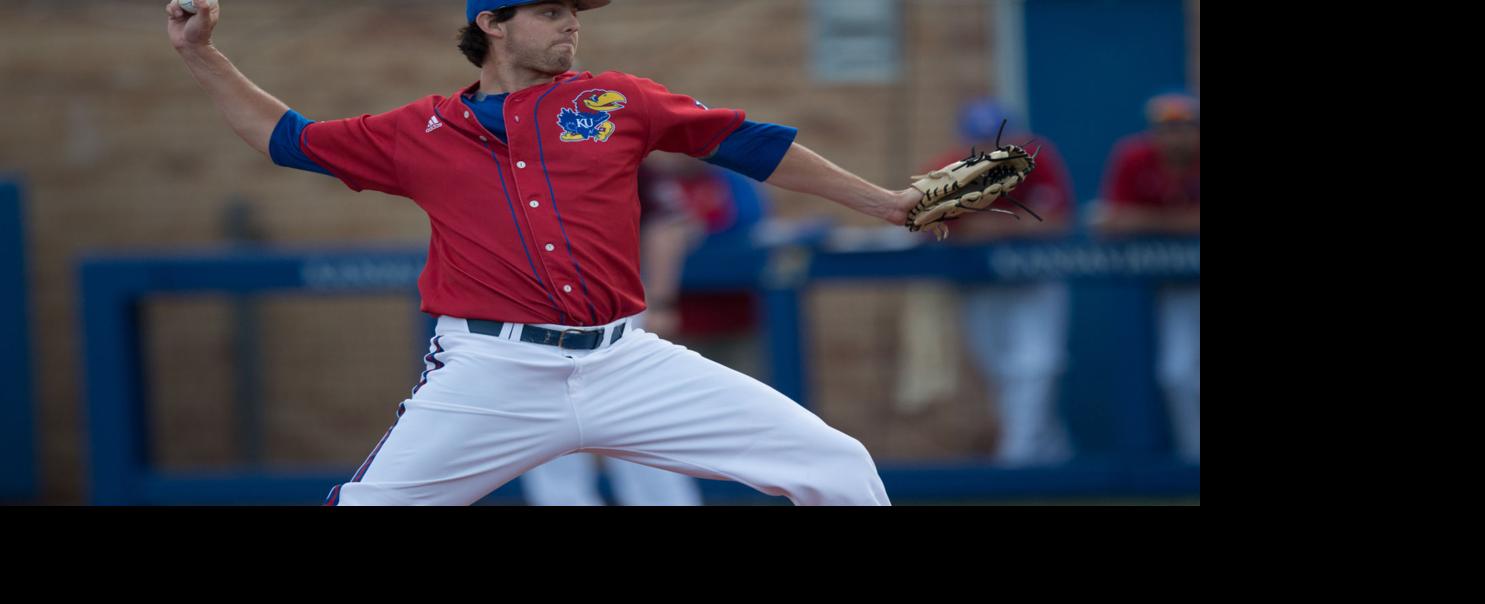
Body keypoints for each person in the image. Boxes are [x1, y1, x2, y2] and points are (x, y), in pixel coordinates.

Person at [166, 0, 919, 505]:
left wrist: (883, 202)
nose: (571, 25)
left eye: (573, 13)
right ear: (492, 24)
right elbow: (287, 139)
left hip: (625, 361)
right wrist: (200, 53)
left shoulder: (616, 99)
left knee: (837, 465)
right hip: (493, 369)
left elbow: (748, 144)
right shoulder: (417, 131)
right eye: (550, 11)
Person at [519, 155, 765, 505]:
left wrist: (660, 303)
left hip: (610, 309)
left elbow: (667, 224)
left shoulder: (621, 158)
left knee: (635, 425)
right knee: (551, 432)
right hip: (534, 311)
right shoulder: (503, 155)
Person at [917, 100, 1077, 466]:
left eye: (998, 143)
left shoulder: (1038, 158)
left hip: (1034, 280)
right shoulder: (949, 168)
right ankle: (1050, 449)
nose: (991, 152)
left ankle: (1016, 460)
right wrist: (1000, 225)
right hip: (979, 284)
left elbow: (1057, 221)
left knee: (1036, 365)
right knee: (998, 369)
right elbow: (925, 223)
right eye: (982, 144)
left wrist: (994, 224)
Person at [1093, 91, 1201, 464]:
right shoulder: (1134, 156)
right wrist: (1178, 223)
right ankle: (1193, 461)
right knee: (1178, 372)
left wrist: (1148, 222)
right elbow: (1108, 220)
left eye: (1185, 128)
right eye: (1166, 129)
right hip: (1176, 286)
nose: (1175, 137)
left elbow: (1130, 219)